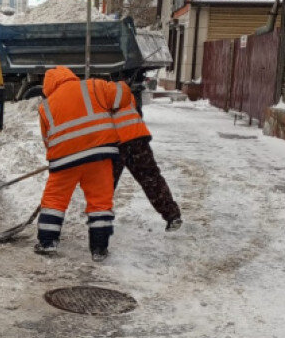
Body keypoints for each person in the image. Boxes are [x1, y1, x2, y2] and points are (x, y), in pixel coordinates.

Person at [36, 66, 122, 262]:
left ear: (48, 85)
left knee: (54, 201)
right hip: (100, 156)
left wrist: (57, 157)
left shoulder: (45, 106)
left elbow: (47, 139)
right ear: (70, 76)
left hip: (65, 161)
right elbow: (119, 97)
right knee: (100, 202)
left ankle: (47, 242)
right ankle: (99, 248)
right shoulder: (95, 86)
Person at [110, 81, 182, 230]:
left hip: (115, 142)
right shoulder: (125, 92)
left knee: (106, 184)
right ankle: (172, 215)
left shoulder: (97, 97)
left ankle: (100, 221)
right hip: (138, 139)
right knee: (151, 178)